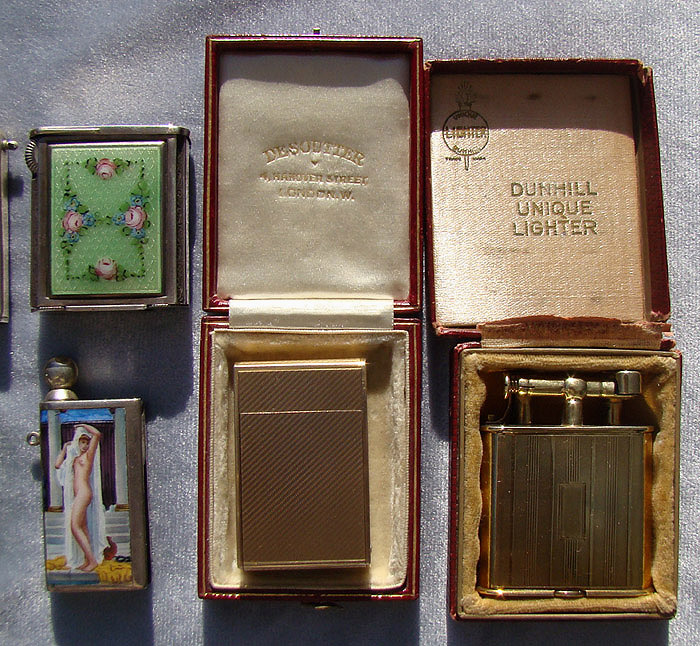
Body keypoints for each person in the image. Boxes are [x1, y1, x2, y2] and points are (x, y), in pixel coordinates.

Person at [54, 424, 108, 572]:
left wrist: (83, 425)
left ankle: (92, 561)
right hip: (79, 494)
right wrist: (65, 448)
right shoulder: (75, 458)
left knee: (75, 526)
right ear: (77, 442)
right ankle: (87, 560)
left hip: (84, 493)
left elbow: (97, 434)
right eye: (82, 442)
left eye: (86, 442)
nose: (84, 445)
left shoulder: (88, 456)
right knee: (82, 527)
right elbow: (57, 465)